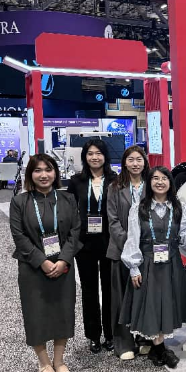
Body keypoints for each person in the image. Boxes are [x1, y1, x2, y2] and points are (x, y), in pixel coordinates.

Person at [120, 167, 186, 368]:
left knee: (167, 304)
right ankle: (159, 349)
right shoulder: (139, 208)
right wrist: (134, 267)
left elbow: (182, 234)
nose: (160, 182)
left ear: (170, 182)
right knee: (152, 305)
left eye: (164, 178)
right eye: (155, 178)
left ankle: (158, 348)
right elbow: (133, 238)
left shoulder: (178, 207)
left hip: (171, 263)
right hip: (148, 263)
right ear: (149, 182)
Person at [9, 154, 82, 372]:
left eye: (48, 170)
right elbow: (19, 236)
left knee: (63, 312)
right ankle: (44, 363)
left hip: (63, 266)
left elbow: (75, 231)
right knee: (36, 314)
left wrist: (64, 260)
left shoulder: (68, 198)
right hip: (32, 267)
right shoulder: (20, 202)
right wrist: (42, 261)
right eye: (38, 170)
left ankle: (59, 361)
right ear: (30, 174)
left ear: (55, 173)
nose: (43, 175)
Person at [67, 139, 118, 354]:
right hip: (85, 243)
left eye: (98, 153)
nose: (94, 157)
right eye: (90, 153)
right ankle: (93, 335)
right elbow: (70, 212)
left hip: (109, 242)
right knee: (89, 291)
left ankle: (111, 334)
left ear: (105, 156)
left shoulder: (116, 180)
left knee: (110, 290)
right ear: (84, 157)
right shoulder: (76, 181)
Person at [107, 145, 150, 360]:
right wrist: (130, 243)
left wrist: (144, 243)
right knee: (121, 298)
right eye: (131, 159)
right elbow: (112, 220)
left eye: (139, 159)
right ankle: (123, 342)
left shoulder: (152, 185)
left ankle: (145, 338)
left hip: (148, 249)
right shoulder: (115, 187)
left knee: (145, 295)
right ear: (124, 162)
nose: (135, 163)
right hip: (120, 250)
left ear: (145, 162)